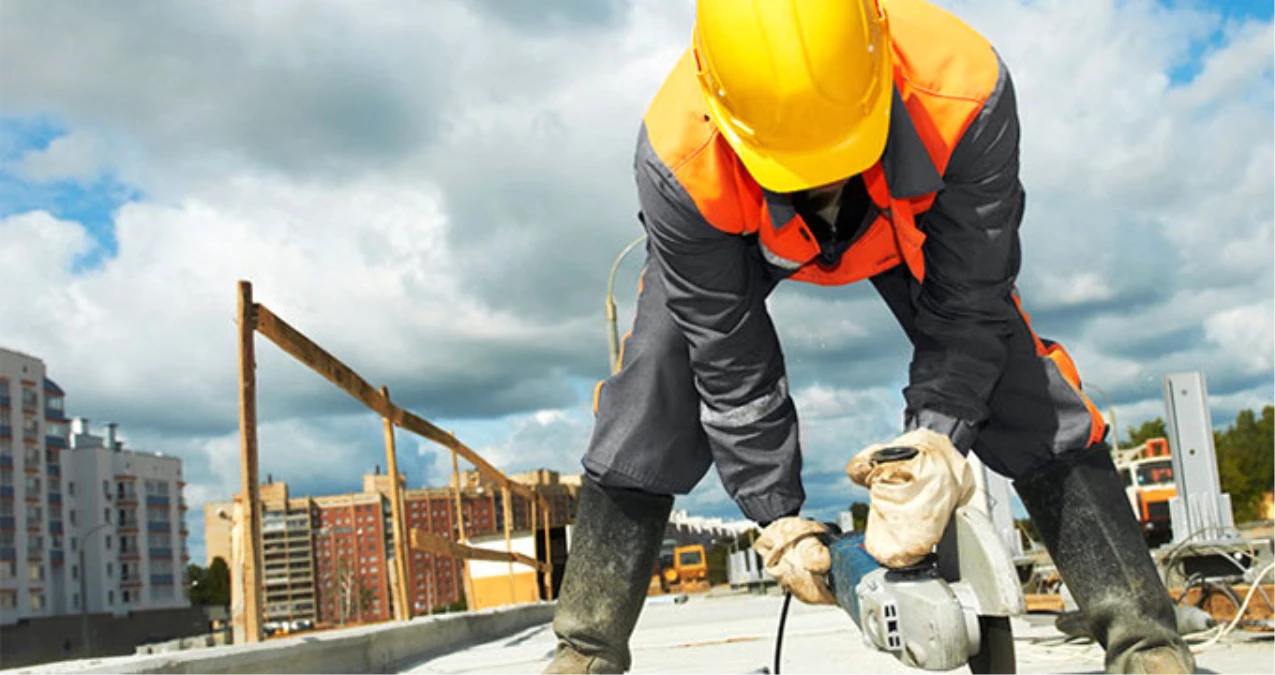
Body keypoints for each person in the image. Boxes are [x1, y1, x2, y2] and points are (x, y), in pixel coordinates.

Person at [544, 1, 1195, 674]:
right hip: (738, 235)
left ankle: (1142, 641)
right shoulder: (678, 157)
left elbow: (968, 304)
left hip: (906, 223)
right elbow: (728, 355)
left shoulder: (963, 89)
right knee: (654, 379)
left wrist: (929, 446)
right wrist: (777, 515)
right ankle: (585, 649)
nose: (822, 184)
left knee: (1015, 375)